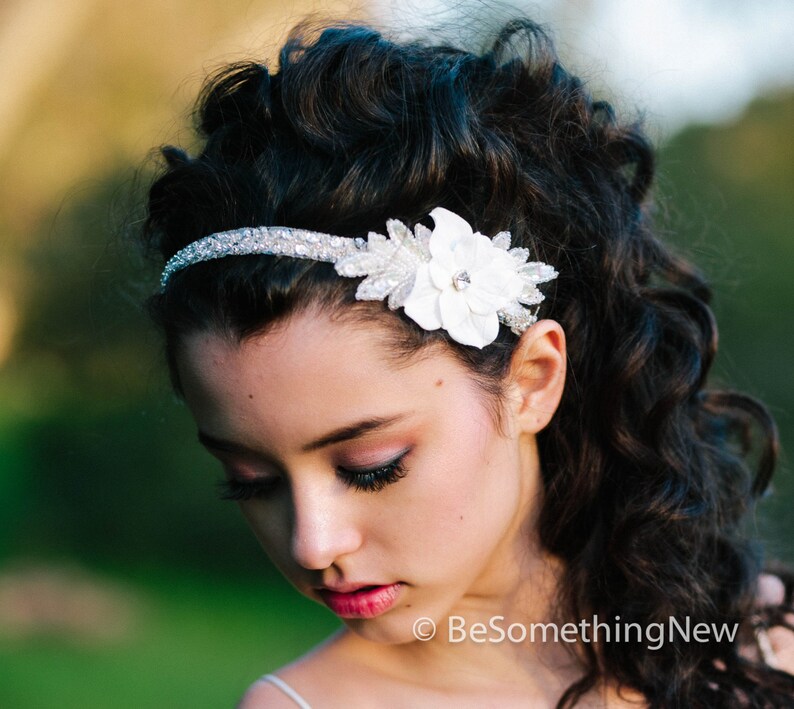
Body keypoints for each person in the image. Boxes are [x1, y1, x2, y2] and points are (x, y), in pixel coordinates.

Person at [139, 17, 794, 708]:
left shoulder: (764, 644)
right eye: (251, 480)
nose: (313, 543)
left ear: (532, 380)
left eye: (372, 465)